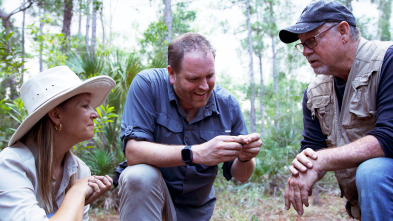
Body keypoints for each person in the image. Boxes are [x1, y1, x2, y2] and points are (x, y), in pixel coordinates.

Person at [114, 32, 262, 220]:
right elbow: (133, 152)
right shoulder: (148, 85)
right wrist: (196, 153)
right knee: (138, 176)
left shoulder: (227, 104)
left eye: (210, 76)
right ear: (171, 74)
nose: (204, 86)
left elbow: (241, 176)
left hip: (197, 212)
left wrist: (245, 158)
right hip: (152, 205)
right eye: (193, 79)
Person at [278, 0, 393, 220]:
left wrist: (319, 161)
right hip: (370, 205)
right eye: (302, 45)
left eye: (311, 41)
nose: (305, 52)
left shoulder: (387, 61)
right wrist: (304, 169)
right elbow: (313, 148)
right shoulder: (315, 92)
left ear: (343, 31)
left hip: (383, 182)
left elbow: (389, 137)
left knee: (373, 173)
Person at [0, 66, 116, 220]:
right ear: (56, 115)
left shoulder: (80, 171)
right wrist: (76, 193)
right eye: (85, 106)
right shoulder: (11, 165)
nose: (95, 114)